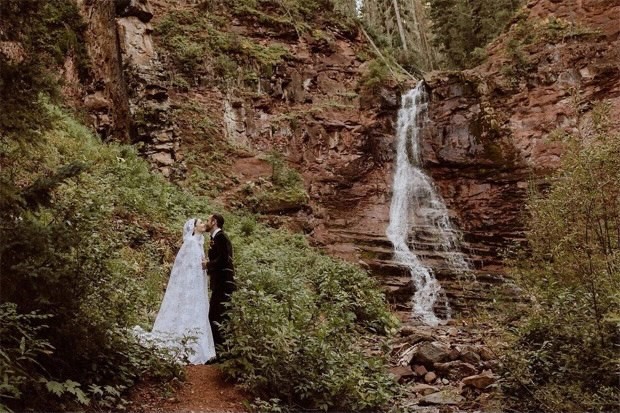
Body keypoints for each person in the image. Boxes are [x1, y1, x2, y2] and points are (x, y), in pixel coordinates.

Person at [134, 218, 216, 364]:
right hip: (191, 284)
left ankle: (198, 345)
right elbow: (186, 267)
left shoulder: (199, 242)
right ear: (193, 228)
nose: (204, 224)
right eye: (201, 223)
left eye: (204, 222)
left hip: (198, 283)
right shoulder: (190, 243)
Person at [204, 213, 236, 350]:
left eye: (208, 220)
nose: (206, 223)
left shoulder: (221, 237)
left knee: (218, 316)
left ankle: (220, 350)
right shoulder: (216, 237)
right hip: (220, 283)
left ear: (214, 222)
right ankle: (220, 349)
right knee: (217, 315)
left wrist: (208, 265)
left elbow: (225, 259)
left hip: (224, 284)